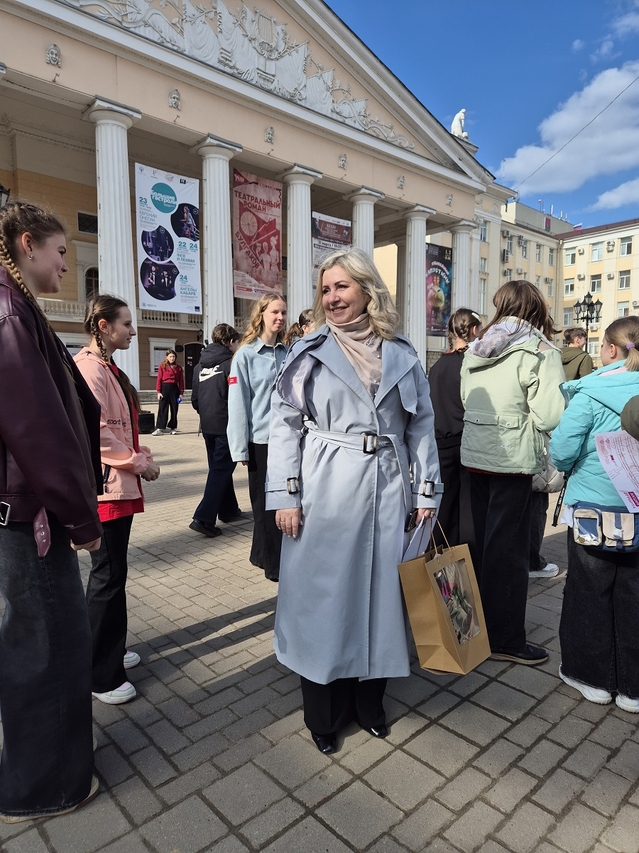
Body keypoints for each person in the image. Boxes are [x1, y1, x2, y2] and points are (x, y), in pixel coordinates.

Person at [266, 248, 442, 754]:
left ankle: (370, 705)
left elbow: (421, 426)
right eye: (325, 289)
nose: (332, 297)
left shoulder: (402, 353)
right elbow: (284, 426)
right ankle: (324, 715)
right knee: (325, 600)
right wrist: (285, 495)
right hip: (326, 487)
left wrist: (426, 491)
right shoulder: (309, 352)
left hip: (389, 488)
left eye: (341, 286)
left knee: (382, 596)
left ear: (368, 289)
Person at [0, 201, 103, 820]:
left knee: (32, 642)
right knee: (48, 646)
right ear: (27, 243)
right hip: (29, 514)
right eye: (61, 252)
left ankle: (39, 771)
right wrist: (81, 518)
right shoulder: (10, 312)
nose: (67, 265)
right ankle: (48, 787)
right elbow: (37, 429)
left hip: (20, 509)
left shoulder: (13, 305)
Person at [460, 280, 565, 665]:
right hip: (513, 461)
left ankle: (474, 627)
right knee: (508, 552)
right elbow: (551, 414)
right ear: (537, 308)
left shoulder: (478, 345)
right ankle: (504, 639)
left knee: (481, 545)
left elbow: (466, 398)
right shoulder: (538, 349)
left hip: (475, 455)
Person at [550, 316, 639, 712]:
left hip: (593, 510)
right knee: (634, 594)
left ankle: (591, 677)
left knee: (588, 590)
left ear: (611, 349)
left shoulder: (590, 391)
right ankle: (632, 688)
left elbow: (562, 451)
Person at [75, 295, 160, 705]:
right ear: (104, 326)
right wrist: (137, 462)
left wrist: (140, 454)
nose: (133, 331)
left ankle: (110, 647)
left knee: (113, 576)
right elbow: (97, 433)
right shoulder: (90, 369)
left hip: (117, 486)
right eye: (126, 324)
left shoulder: (107, 367)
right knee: (107, 577)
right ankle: (100, 674)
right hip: (106, 489)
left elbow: (121, 427)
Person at [227, 293, 287, 581]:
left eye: (283, 312)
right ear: (261, 314)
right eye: (275, 312)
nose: (280, 317)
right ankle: (274, 567)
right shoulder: (246, 355)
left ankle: (261, 554)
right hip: (260, 442)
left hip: (288, 441)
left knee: (284, 501)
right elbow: (238, 403)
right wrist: (240, 448)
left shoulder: (288, 353)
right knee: (264, 506)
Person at [428, 307, 481, 547]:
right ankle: (469, 563)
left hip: (441, 445)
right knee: (469, 510)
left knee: (445, 508)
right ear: (473, 330)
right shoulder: (472, 365)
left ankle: (441, 561)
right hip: (467, 442)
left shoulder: (437, 366)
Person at [190, 323, 242, 537]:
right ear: (230, 342)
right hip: (226, 425)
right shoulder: (231, 364)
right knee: (220, 471)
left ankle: (228, 510)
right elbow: (237, 397)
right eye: (237, 342)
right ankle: (203, 518)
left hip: (207, 425)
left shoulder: (199, 366)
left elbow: (194, 399)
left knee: (219, 469)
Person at [153, 348, 184, 435]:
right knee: (163, 408)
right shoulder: (162, 366)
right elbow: (159, 379)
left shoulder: (178, 368)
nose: (172, 358)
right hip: (165, 388)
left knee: (174, 409)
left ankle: (173, 427)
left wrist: (181, 393)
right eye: (170, 356)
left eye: (173, 356)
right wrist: (158, 392)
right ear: (167, 357)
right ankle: (160, 428)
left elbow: (181, 381)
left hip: (174, 389)